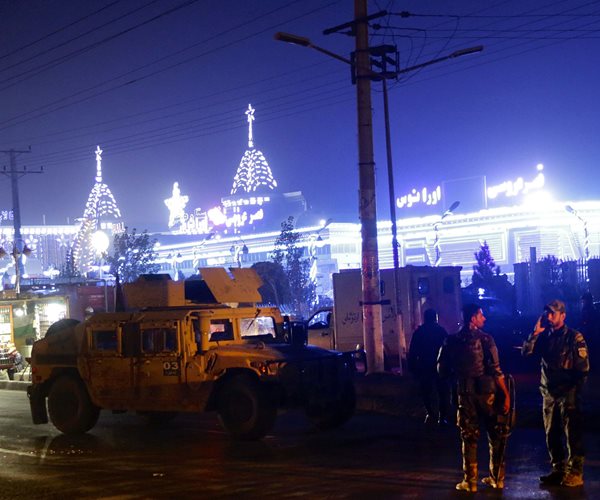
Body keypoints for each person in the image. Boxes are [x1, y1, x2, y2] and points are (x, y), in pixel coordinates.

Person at [438, 303, 511, 492]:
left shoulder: (451, 341)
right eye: (481, 315)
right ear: (473, 318)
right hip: (488, 395)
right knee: (496, 434)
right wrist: (506, 394)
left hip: (465, 394)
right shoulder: (486, 340)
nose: (484, 318)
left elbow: (441, 369)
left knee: (469, 436)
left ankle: (470, 482)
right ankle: (497, 478)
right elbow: (496, 370)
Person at [522, 299, 590, 487]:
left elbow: (583, 369)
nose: (549, 316)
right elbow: (526, 353)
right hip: (549, 393)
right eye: (548, 313)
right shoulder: (544, 337)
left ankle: (576, 472)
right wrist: (534, 334)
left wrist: (574, 393)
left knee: (572, 434)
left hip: (568, 394)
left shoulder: (574, 338)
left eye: (553, 313)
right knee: (551, 433)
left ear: (563, 315)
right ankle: (558, 469)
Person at [407, 308, 451, 425]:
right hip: (438, 366)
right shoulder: (441, 331)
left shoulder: (419, 332)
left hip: (424, 366)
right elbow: (448, 349)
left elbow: (413, 352)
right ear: (435, 318)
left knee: (426, 391)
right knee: (442, 392)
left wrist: (412, 367)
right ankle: (442, 417)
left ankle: (430, 414)